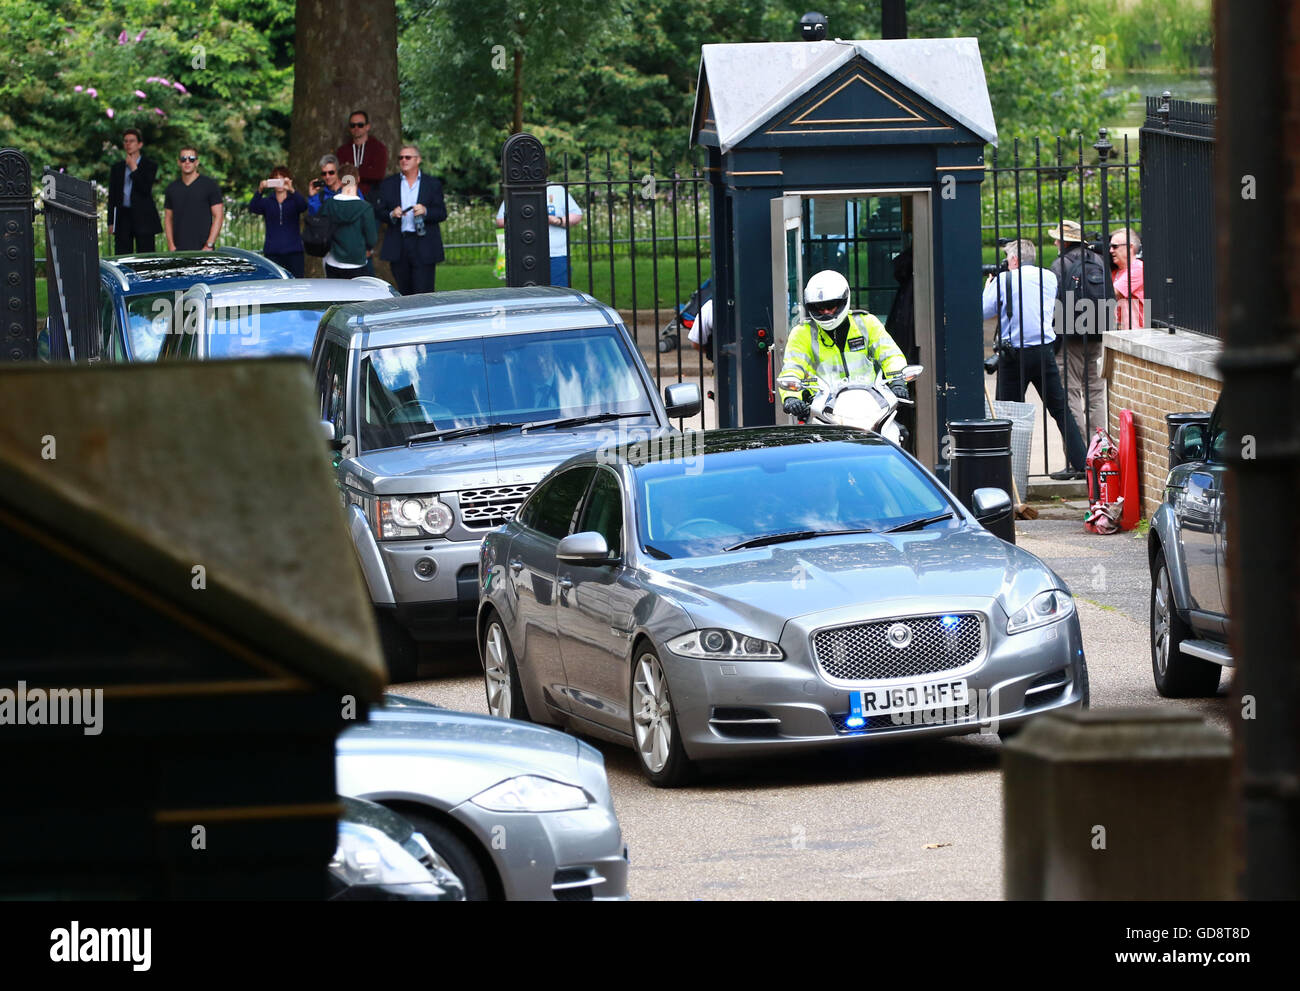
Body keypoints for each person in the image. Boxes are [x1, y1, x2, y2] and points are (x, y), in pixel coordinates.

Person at [981, 238, 1087, 475]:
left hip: (1012, 356)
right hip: (1043, 352)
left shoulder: (1003, 280)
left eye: (1008, 259)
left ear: (1015, 259)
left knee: (1008, 415)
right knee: (1060, 410)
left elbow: (984, 311)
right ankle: (1082, 464)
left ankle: (1007, 471)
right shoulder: (1048, 277)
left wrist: (989, 286)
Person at [777, 270, 908, 420]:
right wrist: (791, 398)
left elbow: (890, 354)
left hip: (871, 403)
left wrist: (897, 381)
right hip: (823, 409)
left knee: (896, 434)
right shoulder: (802, 333)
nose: (826, 312)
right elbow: (793, 368)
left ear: (843, 301)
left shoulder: (866, 323)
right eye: (819, 307)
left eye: (831, 306)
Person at [1050, 219, 1113, 451]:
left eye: (1058, 238)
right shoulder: (1098, 260)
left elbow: (1052, 302)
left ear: (1064, 242)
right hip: (1096, 334)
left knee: (1071, 394)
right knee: (1096, 394)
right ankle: (1099, 452)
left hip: (1069, 337)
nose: (1055, 242)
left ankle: (1079, 455)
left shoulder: (1060, 265)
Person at [373, 144, 447, 294]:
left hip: (423, 244)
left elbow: (441, 213)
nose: (403, 160)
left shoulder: (432, 184)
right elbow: (379, 212)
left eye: (408, 157)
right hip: (399, 244)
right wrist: (392, 214)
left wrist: (426, 211)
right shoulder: (389, 184)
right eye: (400, 157)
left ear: (418, 160)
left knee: (424, 292)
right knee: (404, 292)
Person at [494, 183, 583, 286]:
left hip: (555, 254)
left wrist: (557, 221)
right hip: (521, 255)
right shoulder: (516, 188)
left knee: (557, 294)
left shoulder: (557, 189)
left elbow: (576, 215)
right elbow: (500, 221)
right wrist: (527, 218)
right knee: (524, 294)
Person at [106, 128, 162, 254]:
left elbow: (145, 189)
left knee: (146, 255)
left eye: (132, 141)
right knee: (122, 255)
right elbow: (112, 197)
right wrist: (111, 222)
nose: (128, 144)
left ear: (139, 144)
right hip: (123, 217)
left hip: (144, 217)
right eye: (125, 141)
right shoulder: (117, 168)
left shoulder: (150, 165)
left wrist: (134, 169)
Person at [249, 165, 308, 277]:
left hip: (294, 251)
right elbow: (253, 207)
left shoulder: (294, 200)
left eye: (282, 179)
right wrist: (260, 190)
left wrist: (291, 189)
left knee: (296, 283)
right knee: (275, 284)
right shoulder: (267, 202)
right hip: (273, 252)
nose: (279, 183)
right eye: (276, 180)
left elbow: (303, 206)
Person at [321, 164, 377, 279]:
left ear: (340, 181)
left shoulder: (329, 204)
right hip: (357, 262)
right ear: (358, 179)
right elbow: (372, 239)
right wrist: (368, 248)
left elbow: (322, 230)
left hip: (333, 260)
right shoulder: (365, 208)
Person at [163, 147, 223, 251]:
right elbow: (168, 219)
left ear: (197, 162)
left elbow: (219, 216)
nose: (187, 162)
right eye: (183, 159)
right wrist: (171, 245)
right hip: (178, 250)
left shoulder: (209, 185)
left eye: (191, 159)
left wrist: (209, 245)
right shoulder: (172, 188)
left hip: (203, 250)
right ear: (179, 162)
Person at [334, 110, 388, 198]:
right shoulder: (342, 151)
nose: (356, 128)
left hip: (372, 197)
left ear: (367, 126)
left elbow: (378, 174)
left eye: (360, 125)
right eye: (352, 125)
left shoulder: (378, 148)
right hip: (346, 195)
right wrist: (366, 170)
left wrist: (352, 171)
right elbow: (341, 175)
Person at [1110, 227, 1145, 330]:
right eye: (1110, 246)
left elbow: (1112, 293)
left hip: (1136, 335)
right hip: (1119, 334)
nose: (1111, 250)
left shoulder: (1138, 268)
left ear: (1130, 247)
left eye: (1115, 246)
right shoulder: (1115, 271)